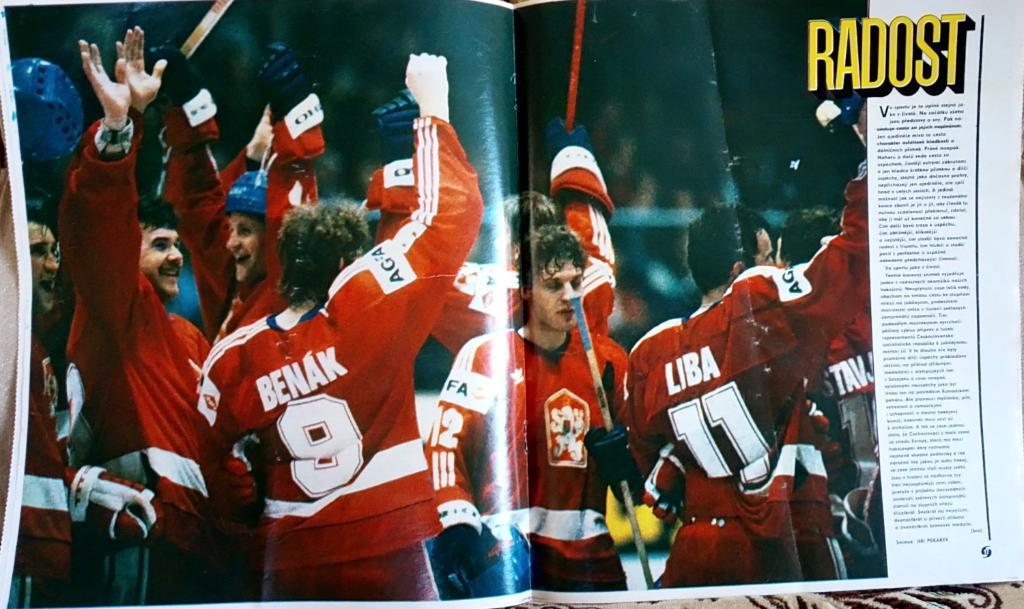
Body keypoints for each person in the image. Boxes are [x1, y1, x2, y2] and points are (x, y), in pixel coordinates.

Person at [196, 53, 483, 601]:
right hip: (390, 544)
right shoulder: (370, 304)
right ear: (349, 265)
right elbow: (447, 220)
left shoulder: (233, 356)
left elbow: (216, 456)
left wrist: (252, 500)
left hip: (290, 557)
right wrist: (432, 112)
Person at [624, 173, 868, 586]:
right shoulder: (756, 299)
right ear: (740, 270)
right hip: (791, 533)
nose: (775, 266)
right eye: (768, 255)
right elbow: (844, 268)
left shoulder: (649, 351)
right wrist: (864, 180)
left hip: (699, 544)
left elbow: (646, 451)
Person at [62, 28, 218, 604]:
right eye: (159, 244)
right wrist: (119, 130)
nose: (176, 254)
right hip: (140, 542)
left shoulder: (190, 338)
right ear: (124, 255)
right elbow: (98, 220)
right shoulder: (116, 310)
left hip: (204, 547)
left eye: (176, 243)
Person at [425, 224, 630, 594]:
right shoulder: (486, 354)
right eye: (555, 285)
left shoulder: (608, 361)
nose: (570, 296)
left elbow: (635, 483)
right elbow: (445, 444)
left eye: (576, 283)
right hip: (511, 558)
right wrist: (455, 516)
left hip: (593, 564)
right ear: (527, 290)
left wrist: (626, 462)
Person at [157, 42, 324, 342]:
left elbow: (293, 219)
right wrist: (187, 106)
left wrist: (297, 113)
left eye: (244, 230)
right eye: (232, 228)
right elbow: (198, 210)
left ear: (273, 232)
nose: (230, 242)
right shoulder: (234, 287)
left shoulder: (287, 296)